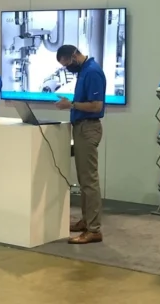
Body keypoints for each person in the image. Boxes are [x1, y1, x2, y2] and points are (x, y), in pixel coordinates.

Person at [55, 44, 106, 245]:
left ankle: (94, 229)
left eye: (67, 63)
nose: (67, 67)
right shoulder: (84, 71)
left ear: (75, 55)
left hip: (88, 128)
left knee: (89, 180)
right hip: (81, 127)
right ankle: (86, 221)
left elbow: (96, 106)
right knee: (84, 179)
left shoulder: (92, 72)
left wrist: (71, 105)